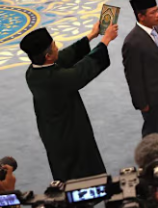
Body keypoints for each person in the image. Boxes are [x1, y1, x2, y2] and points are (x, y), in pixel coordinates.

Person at [22, 23, 118, 181]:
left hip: (53, 134)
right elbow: (81, 72)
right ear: (48, 56)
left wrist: (91, 36)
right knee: (82, 175)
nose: (57, 48)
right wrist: (105, 40)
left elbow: (64, 56)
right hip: (70, 136)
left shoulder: (32, 72)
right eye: (54, 46)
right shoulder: (55, 78)